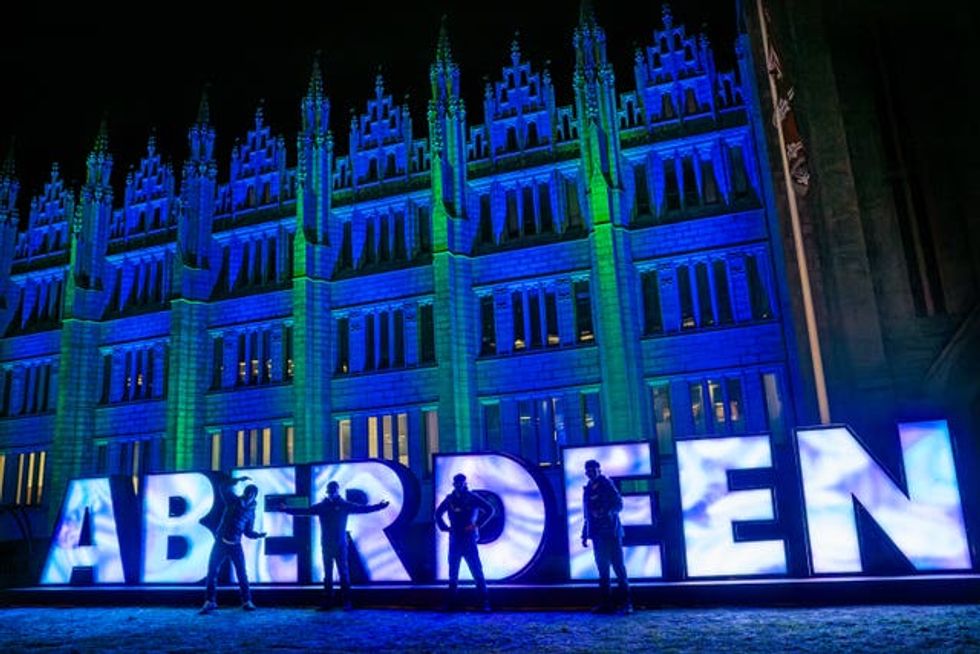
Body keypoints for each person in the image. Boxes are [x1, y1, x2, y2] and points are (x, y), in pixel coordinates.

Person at [279, 481, 389, 610]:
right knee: (329, 573)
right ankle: (328, 602)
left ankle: (346, 602)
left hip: (340, 544)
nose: (331, 494)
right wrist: (287, 510)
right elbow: (305, 511)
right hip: (327, 543)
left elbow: (363, 509)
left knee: (343, 572)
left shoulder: (343, 505)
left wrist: (379, 507)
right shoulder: (324, 506)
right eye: (329, 492)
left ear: (337, 491)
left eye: (332, 492)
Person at [200, 473, 267, 614]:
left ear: (255, 496)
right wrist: (237, 480)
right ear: (244, 493)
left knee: (242, 574)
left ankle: (247, 601)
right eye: (247, 492)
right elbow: (223, 487)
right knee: (212, 572)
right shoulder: (233, 501)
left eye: (252, 494)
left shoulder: (250, 513)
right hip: (221, 542)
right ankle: (210, 601)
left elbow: (248, 532)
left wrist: (257, 535)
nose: (249, 496)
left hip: (236, 544)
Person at [435, 473, 496, 611]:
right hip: (455, 538)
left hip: (468, 538)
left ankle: (485, 601)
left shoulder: (472, 497)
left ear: (465, 483)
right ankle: (451, 602)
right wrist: (445, 528)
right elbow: (438, 514)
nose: (459, 485)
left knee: (476, 570)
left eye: (461, 482)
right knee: (453, 572)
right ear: (453, 484)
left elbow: (490, 509)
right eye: (457, 482)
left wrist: (477, 524)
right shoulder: (450, 499)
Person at [581, 459, 632, 614]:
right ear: (586, 473)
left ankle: (626, 604)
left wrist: (608, 513)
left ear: (599, 470)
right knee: (603, 571)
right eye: (588, 470)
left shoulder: (607, 484)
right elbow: (587, 515)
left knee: (618, 568)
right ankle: (607, 604)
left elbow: (619, 504)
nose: (591, 473)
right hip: (598, 535)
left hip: (611, 533)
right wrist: (584, 534)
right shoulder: (588, 489)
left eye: (593, 470)